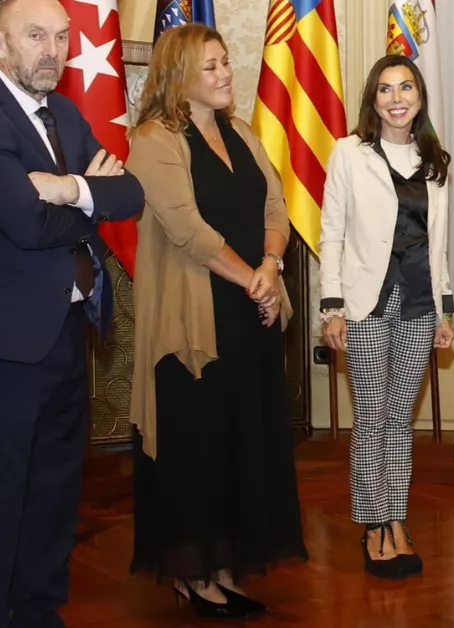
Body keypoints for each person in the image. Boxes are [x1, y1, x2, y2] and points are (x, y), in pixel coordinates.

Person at [0, 0, 145, 625]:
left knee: (55, 490)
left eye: (61, 36)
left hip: (66, 327)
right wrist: (90, 195)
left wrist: (66, 187)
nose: (52, 50)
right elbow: (25, 225)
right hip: (3, 342)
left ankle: (36, 613)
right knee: (3, 496)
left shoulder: (65, 115)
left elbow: (129, 193)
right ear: (1, 45)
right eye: (35, 36)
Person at [125, 23, 307, 618]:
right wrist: (253, 277)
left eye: (226, 62)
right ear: (179, 77)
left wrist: (273, 264)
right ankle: (192, 572)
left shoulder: (242, 132)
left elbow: (275, 205)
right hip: (196, 321)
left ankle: (224, 565)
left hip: (251, 311)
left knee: (240, 442)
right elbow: (187, 230)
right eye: (211, 66)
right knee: (196, 447)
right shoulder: (153, 139)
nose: (226, 73)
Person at [318, 54, 454, 580]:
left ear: (420, 97)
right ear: (372, 100)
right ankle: (372, 524)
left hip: (420, 305)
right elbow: (332, 232)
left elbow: (440, 244)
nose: (396, 98)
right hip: (367, 304)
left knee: (400, 422)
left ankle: (397, 519)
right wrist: (332, 306)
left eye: (406, 88)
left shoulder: (436, 159)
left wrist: (445, 308)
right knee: (371, 419)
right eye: (385, 90)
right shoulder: (349, 153)